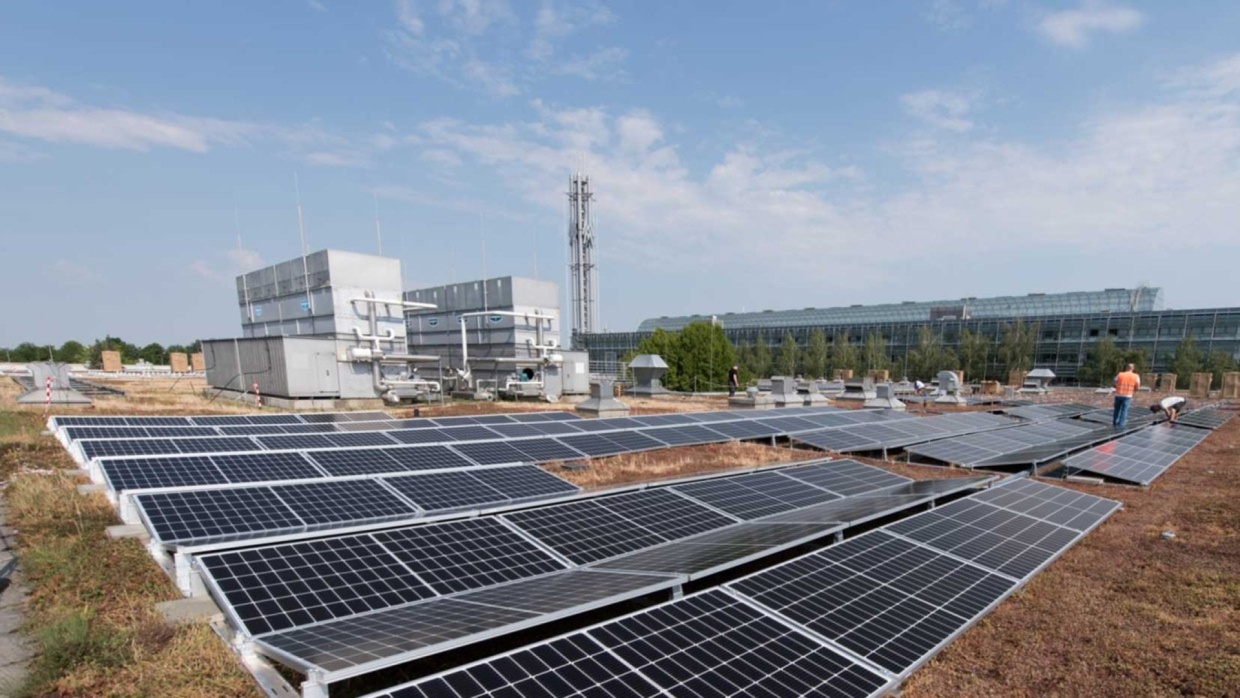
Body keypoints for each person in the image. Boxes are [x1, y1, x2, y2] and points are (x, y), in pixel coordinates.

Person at [1112, 363, 1140, 428]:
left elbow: (1113, 383)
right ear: (1132, 368)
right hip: (1128, 395)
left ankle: (1114, 423)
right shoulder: (1136, 376)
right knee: (1124, 410)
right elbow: (1137, 386)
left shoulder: (1120, 374)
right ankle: (1120, 425)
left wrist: (1117, 388)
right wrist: (1134, 390)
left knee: (1117, 409)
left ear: (1126, 368)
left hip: (1118, 394)